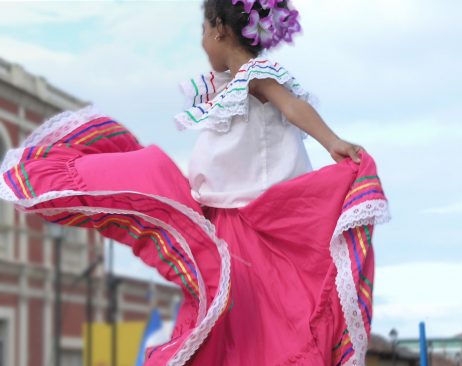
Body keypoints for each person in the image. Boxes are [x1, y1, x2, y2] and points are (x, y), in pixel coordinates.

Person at [0, 0, 390, 364]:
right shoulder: (221, 87)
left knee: (254, 327)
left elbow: (293, 105)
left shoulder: (255, 76)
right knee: (145, 172)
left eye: (204, 29)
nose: (202, 40)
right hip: (215, 222)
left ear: (220, 29)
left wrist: (332, 141)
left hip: (250, 226)